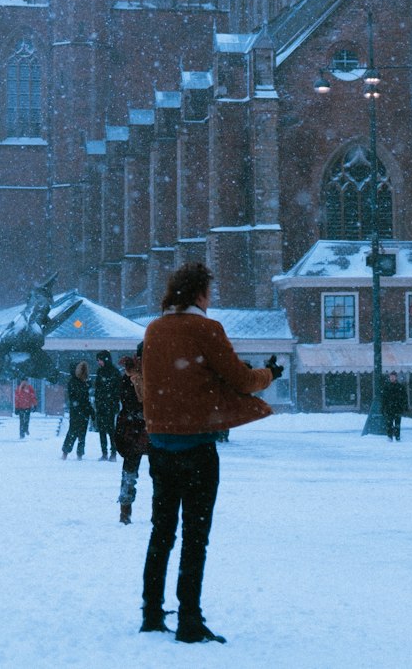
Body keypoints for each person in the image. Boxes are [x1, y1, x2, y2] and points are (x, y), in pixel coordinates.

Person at [140, 262, 279, 644]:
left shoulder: (153, 330)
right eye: (208, 292)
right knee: (194, 536)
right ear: (200, 293)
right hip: (197, 448)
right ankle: (189, 619)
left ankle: (151, 612)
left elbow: (155, 384)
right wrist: (269, 374)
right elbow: (241, 379)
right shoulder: (206, 329)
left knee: (161, 532)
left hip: (161, 448)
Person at [115, 347, 148, 524]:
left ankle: (125, 511)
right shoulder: (156, 375)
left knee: (129, 471)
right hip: (150, 428)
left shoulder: (129, 375)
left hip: (132, 429)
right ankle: (161, 511)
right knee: (160, 472)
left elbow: (123, 401)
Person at [94, 349, 122, 460]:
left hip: (109, 404)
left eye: (100, 360)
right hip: (103, 404)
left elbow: (117, 389)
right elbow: (98, 388)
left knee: (110, 429)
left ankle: (112, 452)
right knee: (103, 429)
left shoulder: (113, 372)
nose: (98, 362)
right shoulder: (102, 372)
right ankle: (105, 452)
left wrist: (113, 402)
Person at [61, 360, 93, 459]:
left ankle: (71, 452)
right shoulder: (76, 382)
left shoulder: (76, 382)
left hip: (79, 411)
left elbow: (80, 398)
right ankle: (71, 453)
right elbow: (79, 397)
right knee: (76, 432)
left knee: (76, 432)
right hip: (80, 411)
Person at [382, 372, 407, 441]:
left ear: (396, 377)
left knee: (397, 424)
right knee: (389, 423)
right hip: (389, 408)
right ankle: (390, 436)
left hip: (397, 408)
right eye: (391, 377)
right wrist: (383, 407)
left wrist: (403, 406)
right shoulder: (386, 387)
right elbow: (384, 398)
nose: (392, 378)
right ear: (389, 377)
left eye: (393, 376)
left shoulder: (400, 387)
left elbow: (404, 397)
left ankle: (397, 436)